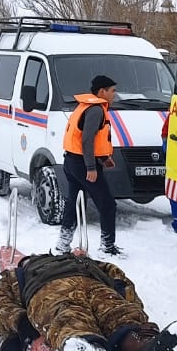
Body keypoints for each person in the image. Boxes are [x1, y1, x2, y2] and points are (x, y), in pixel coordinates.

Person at [0, 250, 177, 351]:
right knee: (74, 315)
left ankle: (138, 350)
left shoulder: (78, 261)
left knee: (108, 312)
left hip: (81, 286)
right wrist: (21, 323)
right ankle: (103, 350)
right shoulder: (19, 274)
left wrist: (19, 321)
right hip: (55, 289)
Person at [53, 75, 122, 256]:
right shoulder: (96, 110)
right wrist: (91, 167)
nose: (115, 94)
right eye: (112, 90)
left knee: (74, 204)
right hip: (82, 164)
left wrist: (104, 158)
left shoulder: (85, 106)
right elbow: (87, 140)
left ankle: (63, 243)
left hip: (71, 161)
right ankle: (107, 247)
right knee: (107, 204)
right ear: (102, 91)